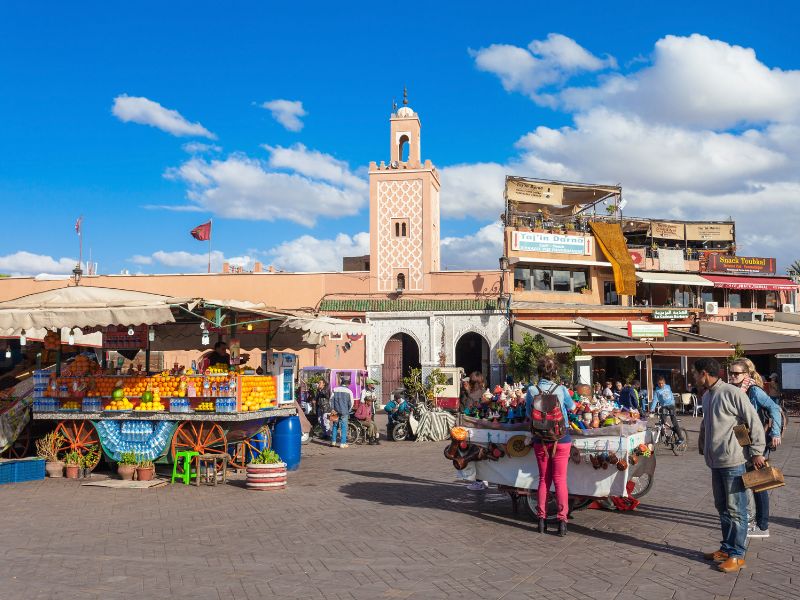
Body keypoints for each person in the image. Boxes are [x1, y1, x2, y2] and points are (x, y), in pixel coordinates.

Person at [695, 357, 766, 574]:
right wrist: (702, 445)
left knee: (736, 509)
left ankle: (737, 555)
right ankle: (726, 549)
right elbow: (706, 424)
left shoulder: (732, 393)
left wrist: (756, 452)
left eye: (695, 373)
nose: (694, 377)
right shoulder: (707, 396)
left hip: (733, 460)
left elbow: (753, 422)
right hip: (715, 460)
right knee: (722, 507)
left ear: (705, 373)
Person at [728, 358, 782, 538]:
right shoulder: (738, 390)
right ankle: (752, 520)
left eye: (736, 373)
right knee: (750, 481)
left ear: (746, 373)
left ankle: (763, 526)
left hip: (756, 441)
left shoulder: (754, 391)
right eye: (731, 372)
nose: (732, 376)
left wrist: (775, 433)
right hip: (744, 439)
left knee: (760, 482)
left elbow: (774, 408)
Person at [526, 355, 576, 536]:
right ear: (554, 372)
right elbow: (572, 407)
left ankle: (541, 520)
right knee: (560, 480)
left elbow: (528, 414)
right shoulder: (561, 389)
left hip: (540, 439)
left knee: (543, 480)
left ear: (539, 371)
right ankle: (562, 521)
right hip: (561, 439)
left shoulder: (532, 390)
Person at [649, 376, 683, 444]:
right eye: (659, 383)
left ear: (664, 383)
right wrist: (652, 409)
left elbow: (671, 395)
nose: (661, 385)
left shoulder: (668, 386)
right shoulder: (657, 391)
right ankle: (663, 435)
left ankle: (680, 437)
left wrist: (673, 402)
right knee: (662, 421)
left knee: (674, 420)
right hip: (664, 406)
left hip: (671, 406)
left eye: (662, 383)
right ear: (657, 383)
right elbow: (655, 400)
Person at [330, 381, 354, 448]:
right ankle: (342, 443)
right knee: (344, 427)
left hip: (335, 411)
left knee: (335, 426)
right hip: (344, 411)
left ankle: (333, 442)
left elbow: (331, 400)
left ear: (341, 383)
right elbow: (351, 403)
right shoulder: (349, 391)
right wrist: (348, 410)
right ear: (347, 384)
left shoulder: (334, 389)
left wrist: (332, 409)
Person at [359, 379, 381, 445]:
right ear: (368, 384)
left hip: (372, 409)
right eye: (372, 384)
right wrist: (368, 400)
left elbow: (375, 397)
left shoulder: (373, 390)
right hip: (365, 409)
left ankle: (374, 438)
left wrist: (374, 399)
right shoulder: (364, 391)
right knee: (369, 424)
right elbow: (362, 400)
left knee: (373, 424)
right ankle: (367, 438)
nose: (373, 385)